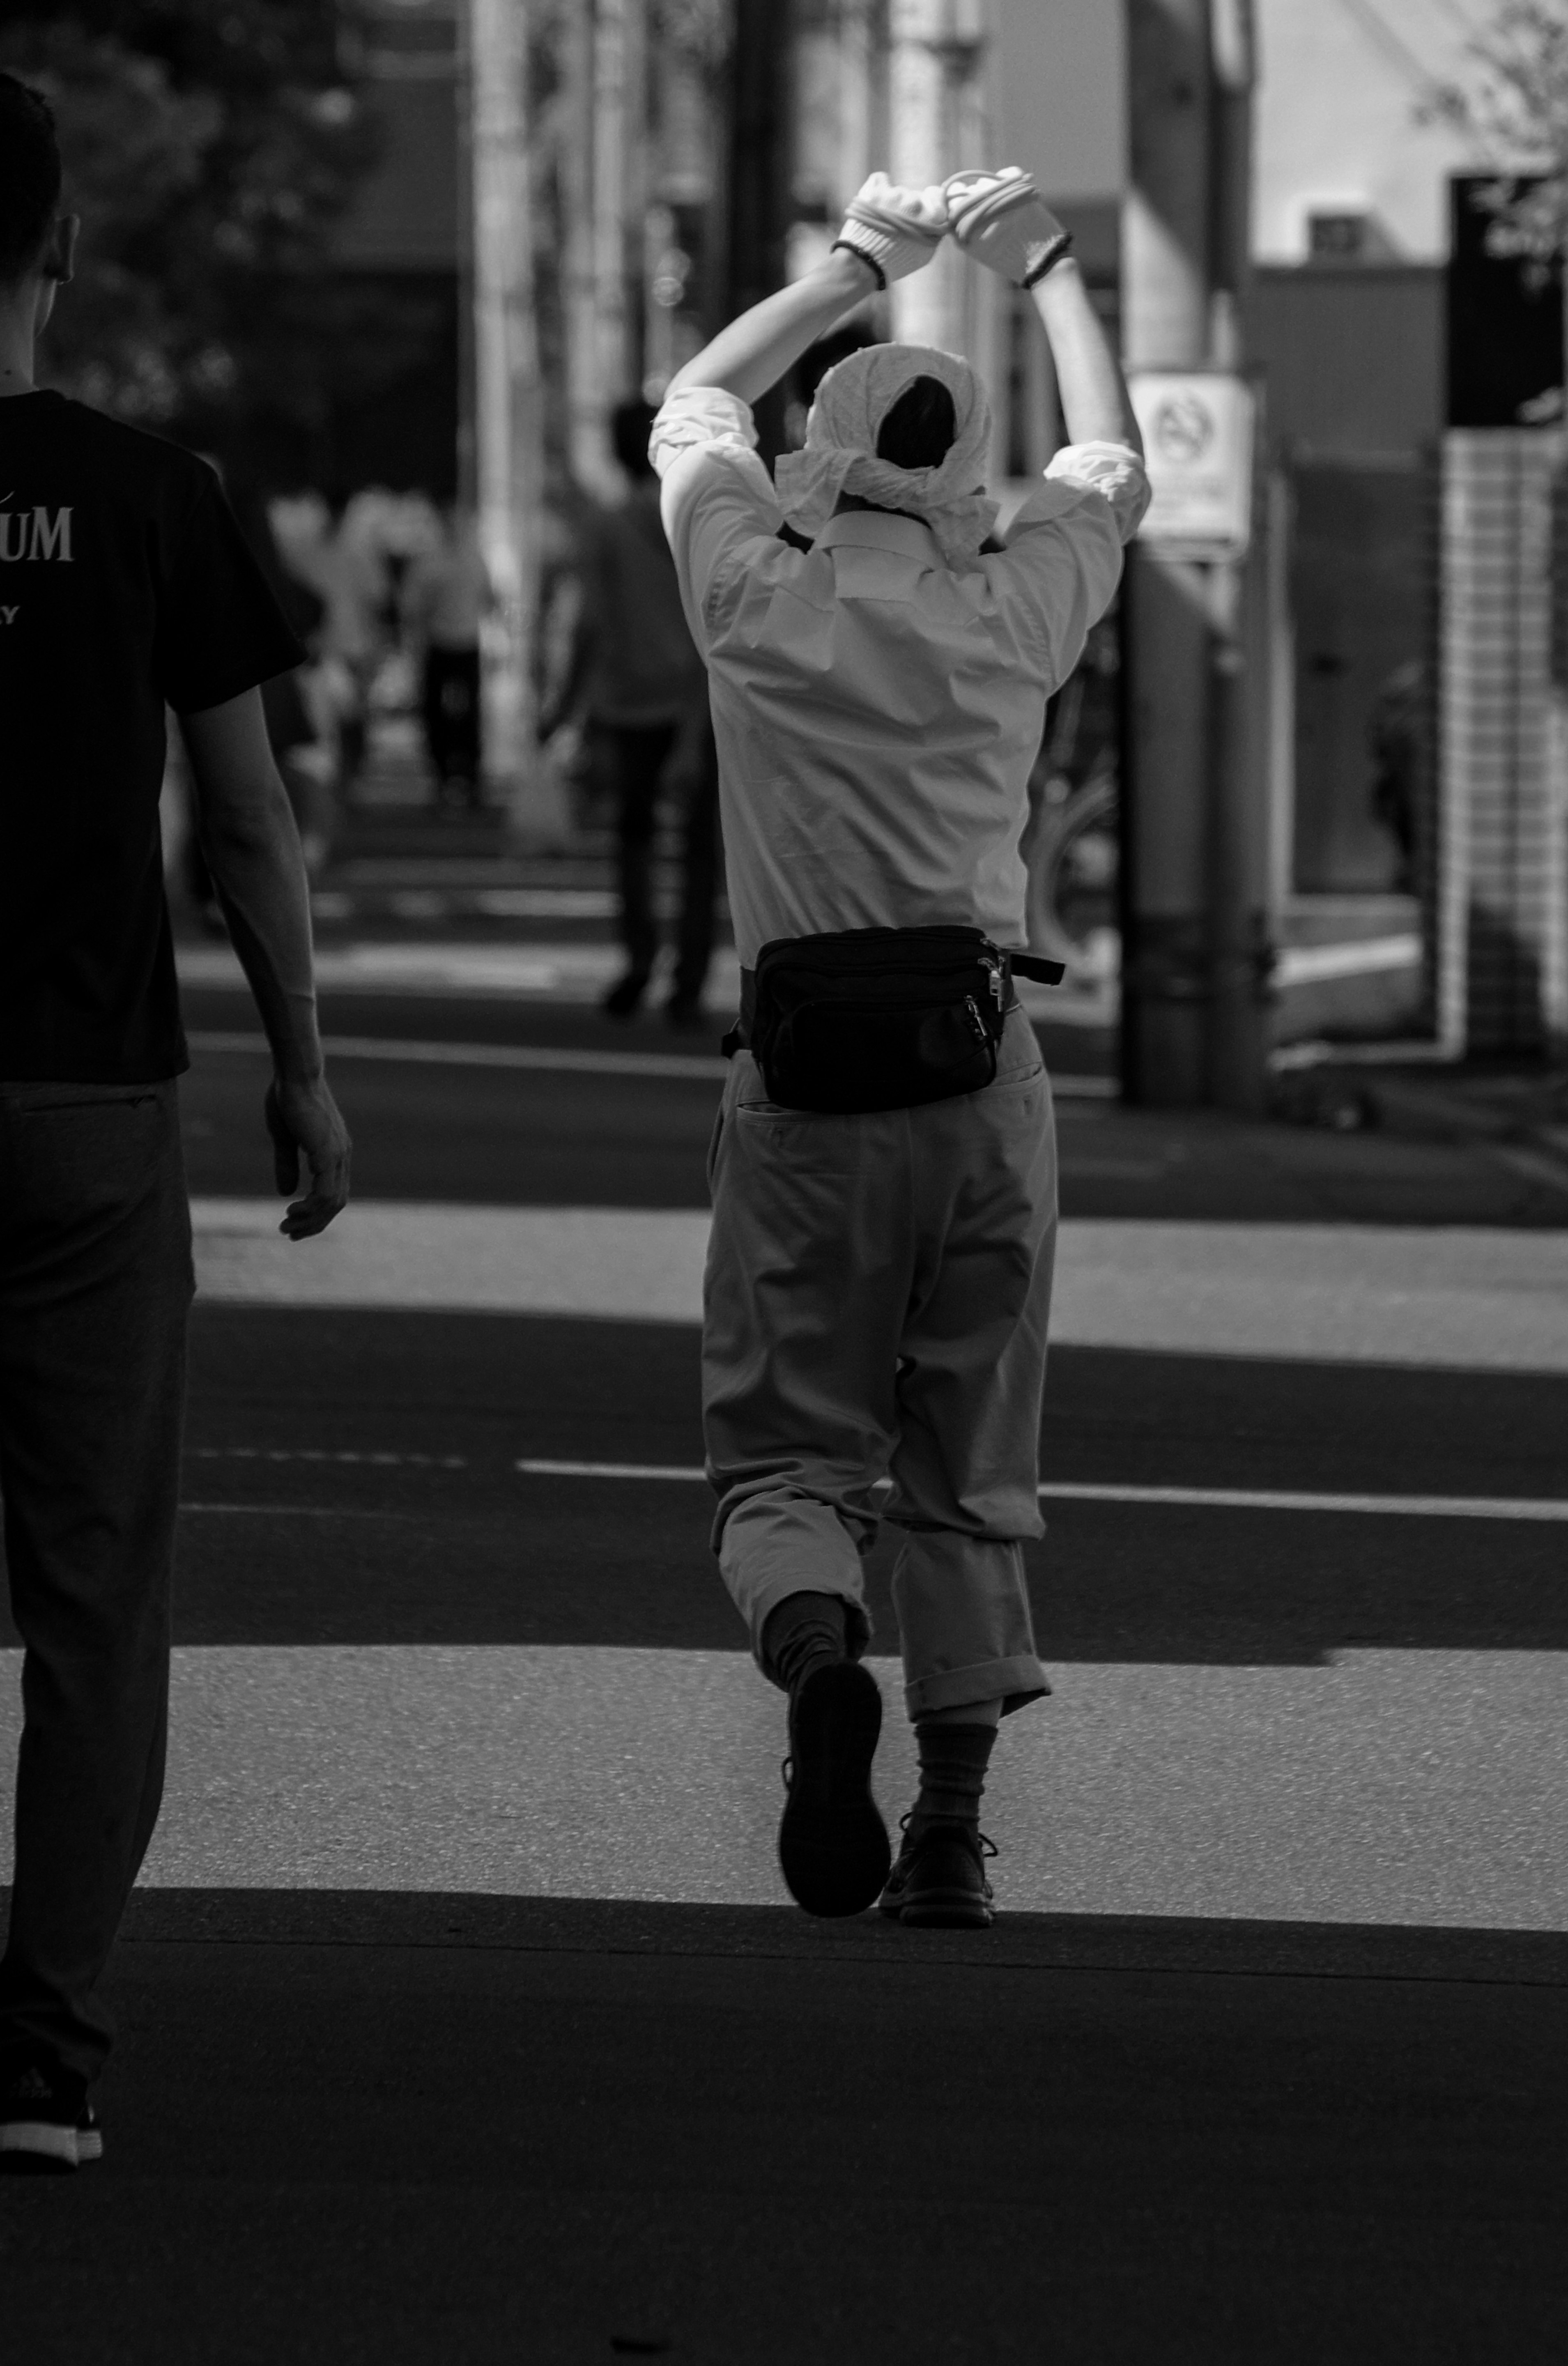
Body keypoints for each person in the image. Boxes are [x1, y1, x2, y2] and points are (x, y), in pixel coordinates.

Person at [650, 167, 1148, 1926]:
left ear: (826, 448)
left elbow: (694, 401)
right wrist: (1048, 273)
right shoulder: (1013, 607)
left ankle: (814, 1663)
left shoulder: (747, 598)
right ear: (957, 475)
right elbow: (1109, 464)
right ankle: (946, 1825)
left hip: (796, 1084)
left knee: (783, 1457)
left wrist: (860, 263)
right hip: (977, 1070)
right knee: (966, 1463)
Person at [0, 74, 351, 2171]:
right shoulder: (151, 494)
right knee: (95, 1592)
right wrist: (300, 1062)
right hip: (90, 1111)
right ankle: (44, 2055)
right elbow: (244, 820)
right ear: (57, 249)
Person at [545, 400, 719, 1025]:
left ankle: (641, 958)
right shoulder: (694, 523)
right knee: (701, 849)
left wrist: (562, 706)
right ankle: (691, 977)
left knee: (635, 838)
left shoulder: (604, 526)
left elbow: (588, 624)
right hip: (699, 699)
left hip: (627, 705)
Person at [400, 499, 490, 808]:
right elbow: (413, 607)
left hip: (467, 643)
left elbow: (487, 597)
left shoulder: (473, 559)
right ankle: (443, 775)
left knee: (470, 715)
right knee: (436, 714)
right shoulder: (430, 562)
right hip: (440, 643)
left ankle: (471, 776)